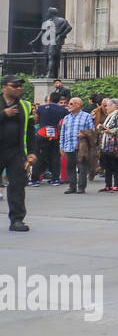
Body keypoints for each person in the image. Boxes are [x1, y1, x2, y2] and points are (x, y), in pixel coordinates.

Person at [0, 77, 36, 231]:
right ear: (3, 88)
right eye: (15, 85)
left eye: (20, 86)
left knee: (17, 186)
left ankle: (17, 220)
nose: (19, 88)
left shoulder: (25, 106)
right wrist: (3, 114)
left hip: (16, 152)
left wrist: (32, 152)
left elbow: (30, 132)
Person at [59, 97, 94, 194]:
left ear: (78, 105)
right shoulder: (66, 117)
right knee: (70, 167)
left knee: (82, 167)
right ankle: (72, 186)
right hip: (68, 146)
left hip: (81, 147)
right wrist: (61, 146)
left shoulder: (86, 116)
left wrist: (84, 134)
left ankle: (81, 187)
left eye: (70, 104)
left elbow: (92, 131)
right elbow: (63, 133)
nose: (68, 106)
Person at [34, 93, 68, 185]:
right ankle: (55, 179)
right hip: (55, 134)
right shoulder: (63, 110)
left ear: (50, 99)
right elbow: (65, 121)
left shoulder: (41, 108)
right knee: (55, 157)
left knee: (39, 156)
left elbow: (35, 119)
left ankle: (35, 179)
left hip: (42, 133)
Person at [97, 98, 118, 193]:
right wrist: (101, 128)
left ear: (114, 106)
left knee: (116, 165)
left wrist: (110, 131)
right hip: (106, 144)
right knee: (107, 165)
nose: (106, 108)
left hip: (116, 144)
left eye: (108, 106)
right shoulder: (110, 116)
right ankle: (108, 185)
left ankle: (117, 185)